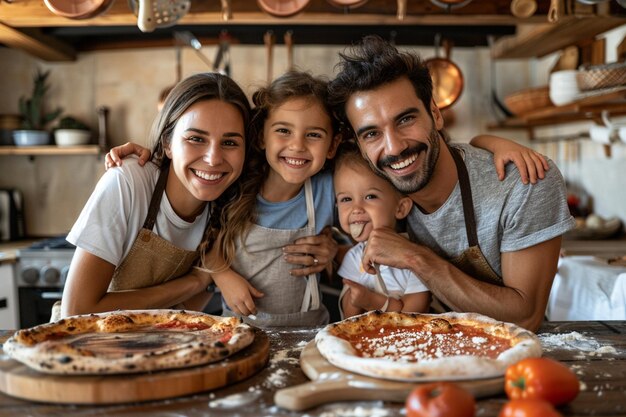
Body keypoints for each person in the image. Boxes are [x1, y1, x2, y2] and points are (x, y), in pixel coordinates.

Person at [327, 36, 575, 331]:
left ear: (435, 114)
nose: (393, 148)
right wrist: (325, 250)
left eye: (405, 119)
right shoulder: (379, 186)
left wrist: (415, 258)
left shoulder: (523, 184)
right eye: (371, 134)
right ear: (359, 144)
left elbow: (524, 318)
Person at [59, 72, 252, 318]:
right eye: (195, 138)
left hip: (161, 346)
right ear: (168, 143)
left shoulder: (230, 205)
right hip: (86, 344)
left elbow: (179, 316)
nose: (213, 159)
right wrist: (195, 282)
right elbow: (77, 311)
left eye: (230, 143)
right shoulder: (127, 182)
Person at [333, 140, 431, 318]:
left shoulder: (414, 257)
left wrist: (373, 301)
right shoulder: (354, 258)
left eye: (370, 196)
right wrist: (355, 298)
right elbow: (348, 317)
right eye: (346, 199)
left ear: (400, 208)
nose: (356, 208)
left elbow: (414, 315)